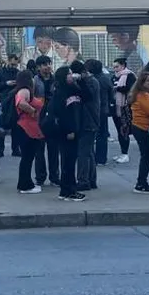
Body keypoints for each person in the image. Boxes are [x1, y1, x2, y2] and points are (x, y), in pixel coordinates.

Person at [49, 66, 87, 201]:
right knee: (68, 161)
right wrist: (69, 130)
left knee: (71, 160)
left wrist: (82, 81)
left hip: (76, 129)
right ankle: (68, 190)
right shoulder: (59, 92)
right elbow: (59, 114)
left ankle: (68, 189)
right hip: (66, 132)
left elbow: (88, 96)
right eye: (69, 74)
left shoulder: (74, 89)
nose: (72, 76)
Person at [10, 69, 44, 194]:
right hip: (26, 127)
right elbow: (21, 103)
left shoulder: (23, 90)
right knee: (27, 157)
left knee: (27, 157)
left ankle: (25, 183)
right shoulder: (24, 91)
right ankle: (25, 185)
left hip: (27, 127)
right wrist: (33, 111)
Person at [70, 60, 100, 193]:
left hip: (88, 121)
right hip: (88, 121)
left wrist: (79, 82)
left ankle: (83, 181)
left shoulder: (91, 82)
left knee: (83, 153)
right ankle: (91, 180)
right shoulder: (91, 81)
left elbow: (87, 96)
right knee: (88, 153)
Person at [32, 55, 60, 186]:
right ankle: (40, 177)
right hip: (39, 118)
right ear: (38, 67)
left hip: (53, 119)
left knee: (54, 150)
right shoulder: (35, 81)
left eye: (49, 63)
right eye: (44, 64)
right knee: (39, 150)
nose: (47, 66)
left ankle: (54, 177)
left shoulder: (56, 80)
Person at [87, 59, 113, 165]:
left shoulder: (90, 80)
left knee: (90, 135)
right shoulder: (105, 79)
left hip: (91, 111)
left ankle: (91, 157)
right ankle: (101, 158)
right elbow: (111, 94)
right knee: (102, 135)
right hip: (103, 110)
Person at [111, 57, 136, 164]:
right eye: (114, 67)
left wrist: (117, 88)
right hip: (117, 107)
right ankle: (122, 153)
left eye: (117, 67)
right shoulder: (114, 77)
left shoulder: (129, 75)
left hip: (126, 108)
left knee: (124, 130)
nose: (115, 69)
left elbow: (131, 89)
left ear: (123, 66)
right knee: (119, 130)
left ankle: (125, 154)